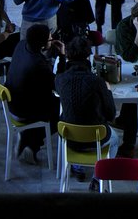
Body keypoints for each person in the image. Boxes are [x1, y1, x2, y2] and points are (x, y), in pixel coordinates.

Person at [54, 34, 121, 182]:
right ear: (89, 57)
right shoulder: (97, 82)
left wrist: (62, 57)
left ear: (69, 56)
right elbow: (111, 115)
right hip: (96, 139)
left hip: (69, 138)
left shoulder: (61, 80)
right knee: (116, 139)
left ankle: (77, 166)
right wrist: (108, 91)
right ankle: (99, 178)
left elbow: (58, 75)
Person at [4, 24, 62, 164]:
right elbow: (58, 85)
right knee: (63, 112)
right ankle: (31, 142)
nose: (52, 39)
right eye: (49, 39)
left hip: (13, 101)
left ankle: (28, 138)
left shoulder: (21, 45)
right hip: (23, 109)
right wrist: (62, 56)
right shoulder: (37, 64)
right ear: (41, 43)